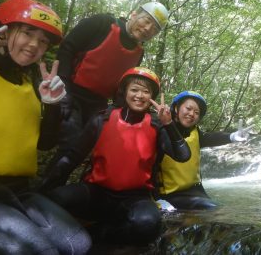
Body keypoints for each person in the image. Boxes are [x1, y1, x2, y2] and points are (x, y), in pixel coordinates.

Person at [0, 0, 91, 254]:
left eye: (43, 41)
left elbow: (45, 144)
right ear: (3, 33)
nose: (34, 45)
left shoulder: (30, 85)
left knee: (79, 246)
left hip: (18, 190)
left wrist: (52, 105)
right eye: (28, 33)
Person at [38, 67, 191, 245]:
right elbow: (72, 157)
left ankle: (95, 238)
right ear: (124, 91)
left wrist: (169, 124)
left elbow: (183, 155)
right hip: (96, 192)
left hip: (136, 198)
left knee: (147, 224)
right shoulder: (102, 119)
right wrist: (44, 191)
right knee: (55, 199)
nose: (139, 95)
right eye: (134, 89)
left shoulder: (157, 126)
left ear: (151, 97)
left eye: (145, 91)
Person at [51, 1, 169, 180]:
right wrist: (63, 86)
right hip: (71, 91)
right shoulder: (102, 23)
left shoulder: (138, 52)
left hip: (98, 103)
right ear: (134, 15)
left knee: (89, 147)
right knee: (70, 143)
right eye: (146, 21)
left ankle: (68, 188)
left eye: (154, 29)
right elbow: (68, 47)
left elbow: (123, 85)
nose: (147, 29)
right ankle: (45, 190)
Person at [155, 91, 251, 210]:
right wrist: (156, 198)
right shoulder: (161, 131)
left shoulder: (195, 132)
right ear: (176, 108)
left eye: (196, 113)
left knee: (218, 209)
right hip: (169, 195)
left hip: (194, 189)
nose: (191, 114)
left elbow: (209, 138)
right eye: (188, 108)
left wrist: (231, 136)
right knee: (212, 209)